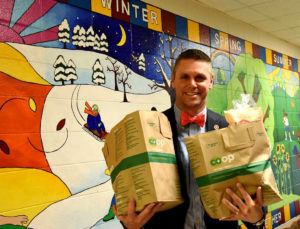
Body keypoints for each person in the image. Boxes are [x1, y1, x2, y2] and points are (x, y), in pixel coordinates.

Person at [113, 49, 265, 229]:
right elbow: (133, 192)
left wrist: (258, 219)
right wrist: (130, 225)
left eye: (199, 77)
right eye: (185, 77)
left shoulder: (231, 127)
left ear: (211, 81)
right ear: (173, 79)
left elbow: (255, 191)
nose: (192, 84)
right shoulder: (147, 129)